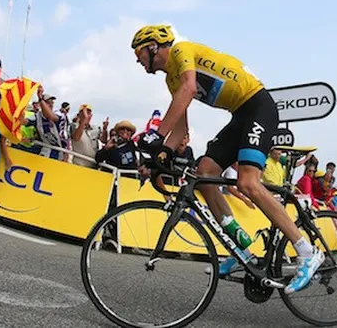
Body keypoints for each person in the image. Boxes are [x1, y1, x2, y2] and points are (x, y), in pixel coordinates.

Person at [131, 25, 323, 294]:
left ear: (152, 47)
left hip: (258, 105)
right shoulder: (169, 80)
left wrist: (155, 135)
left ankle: (306, 251)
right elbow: (181, 130)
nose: (137, 60)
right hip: (240, 115)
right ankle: (241, 250)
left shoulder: (180, 51)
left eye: (138, 53)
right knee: (205, 173)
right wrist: (159, 154)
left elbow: (188, 89)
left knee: (248, 183)